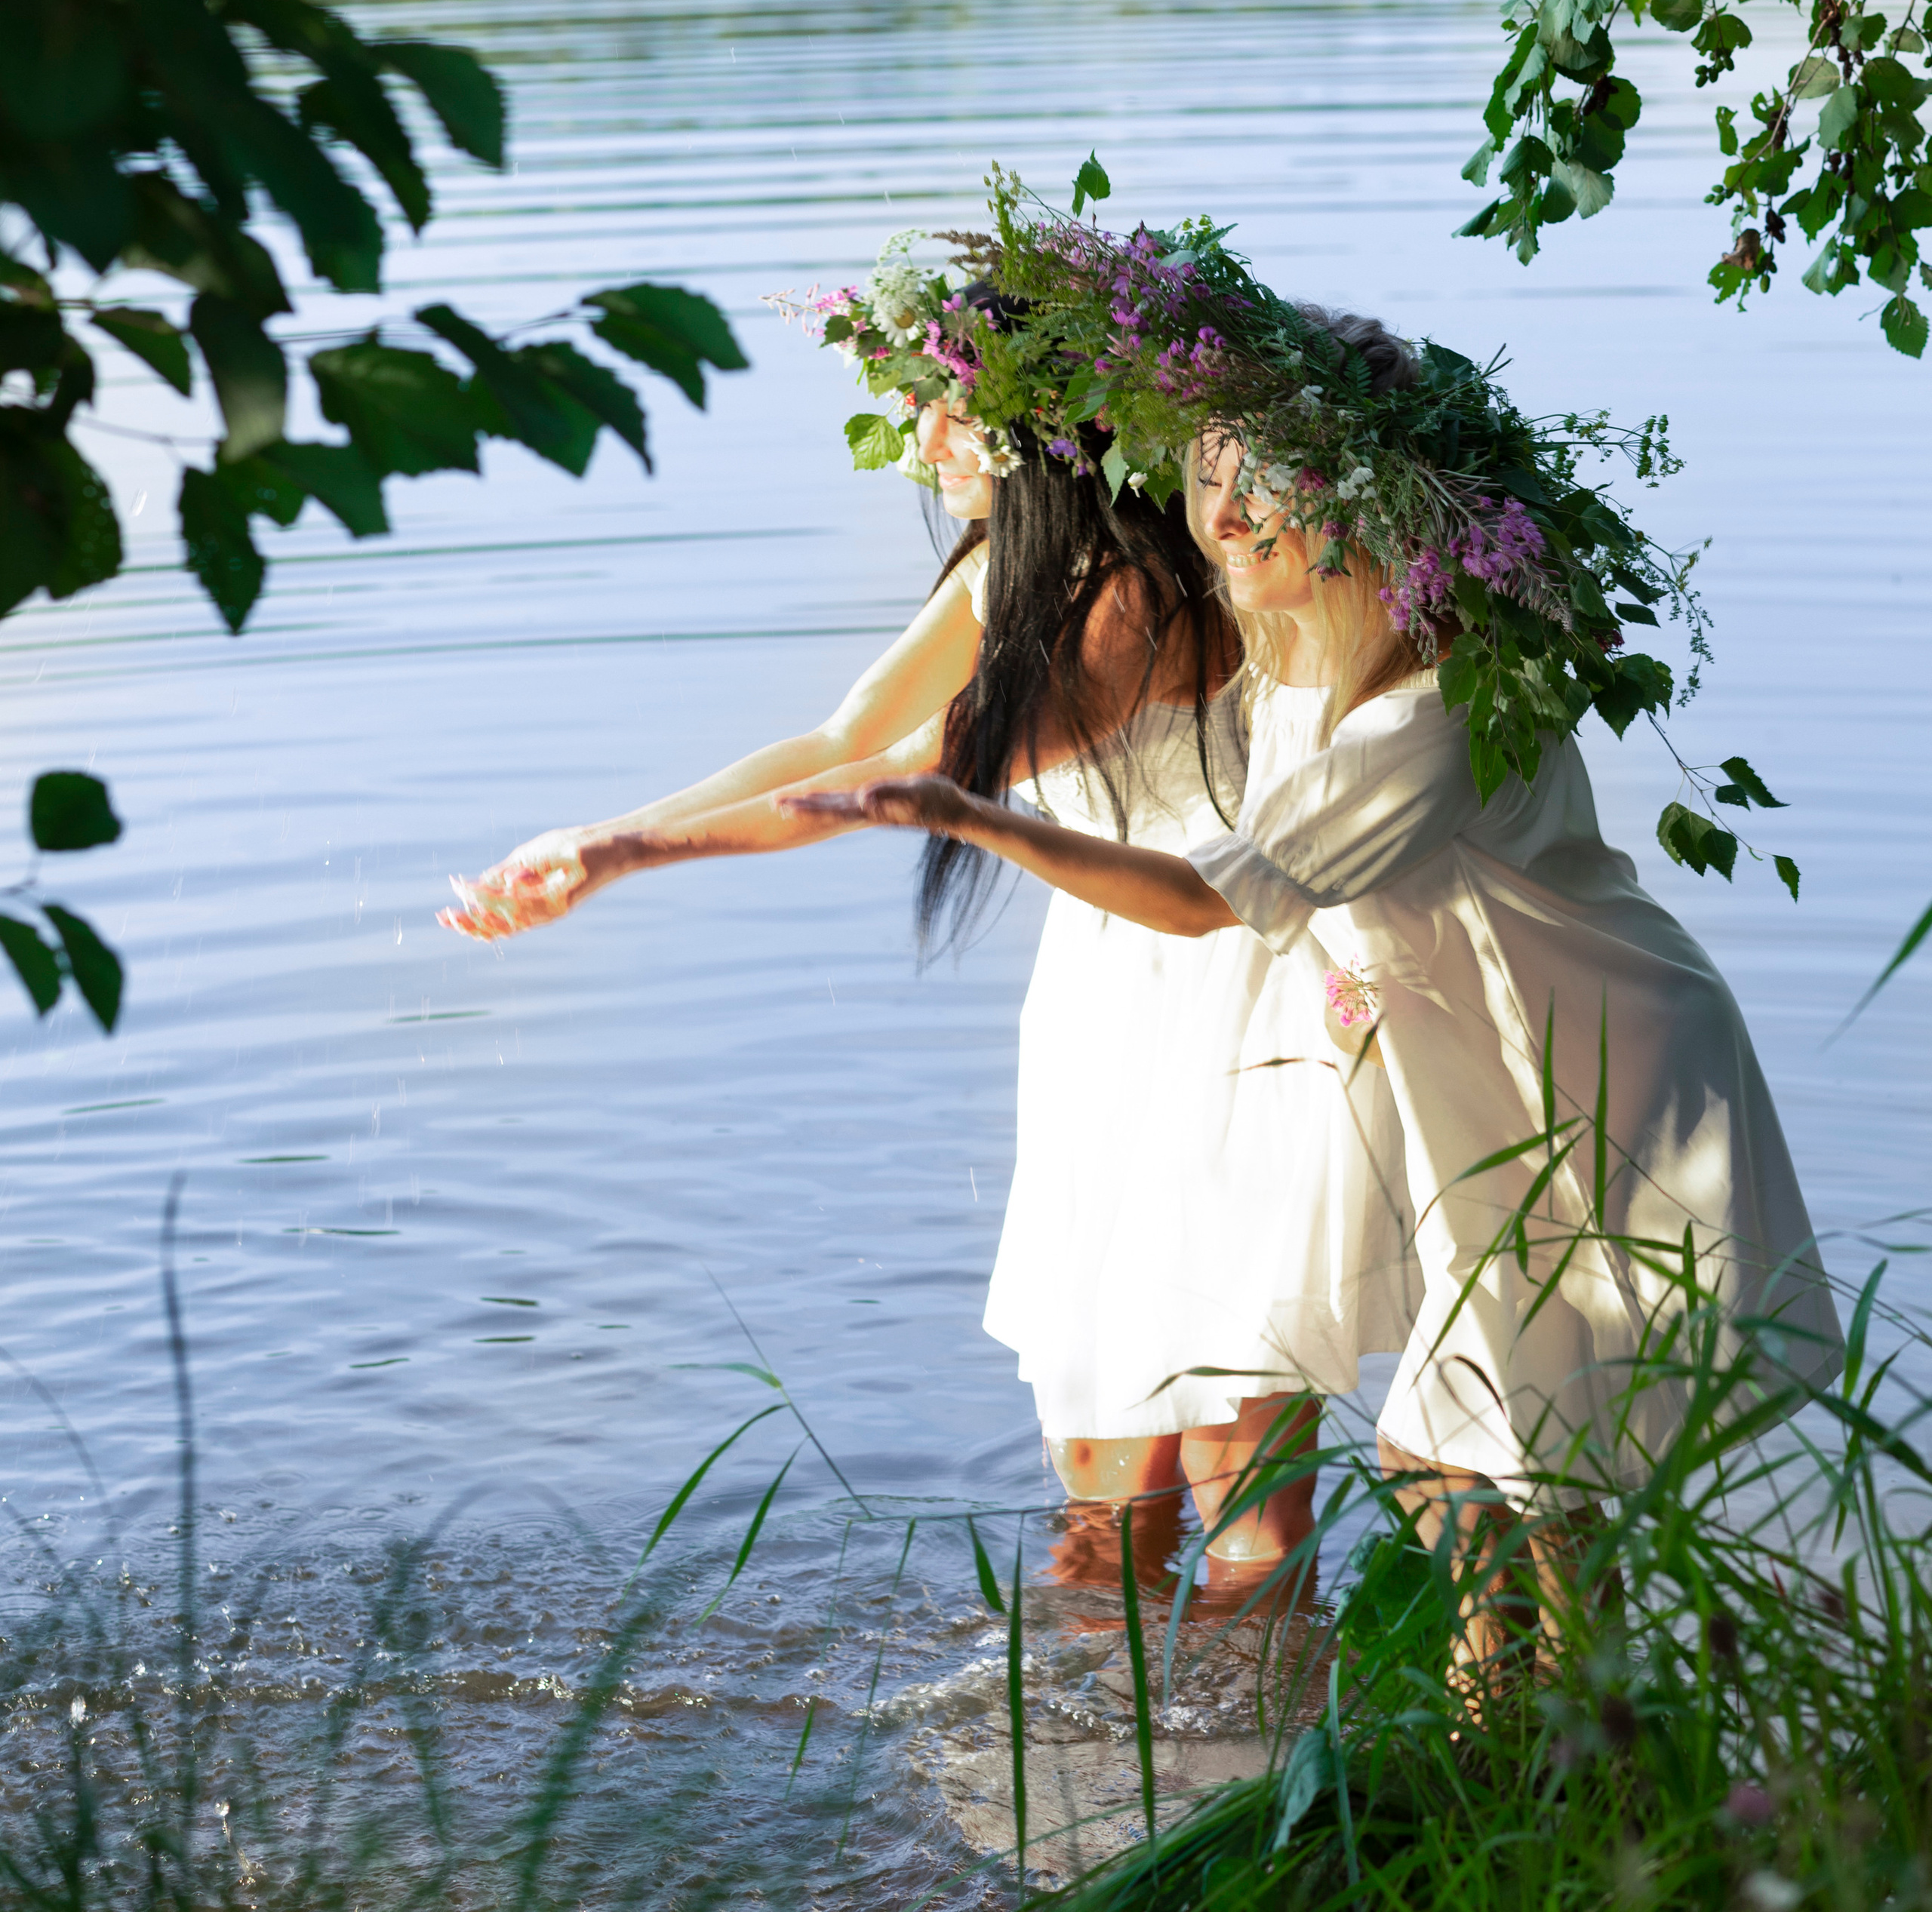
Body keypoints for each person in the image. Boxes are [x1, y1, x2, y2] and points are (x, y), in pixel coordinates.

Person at [788, 198, 1844, 1680]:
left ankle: (1557, 1779)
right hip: (1496, 1088)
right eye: (1206, 480)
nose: (1217, 517)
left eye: (1258, 490)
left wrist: (967, 815)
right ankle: (1549, 1775)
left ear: (1372, 513)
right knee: (1472, 1473)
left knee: (1483, 1477)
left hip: (1594, 1093)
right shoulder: (1316, 679)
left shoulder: (1428, 713)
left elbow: (1208, 895)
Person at [441, 249, 1417, 1585]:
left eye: (946, 406)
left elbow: (916, 786)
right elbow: (840, 737)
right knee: (1096, 1484)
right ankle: (1093, 1774)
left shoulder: (1138, 595)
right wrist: (602, 834)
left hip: (1223, 1002)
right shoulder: (1007, 573)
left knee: (1232, 1471)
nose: (920, 437)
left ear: (1041, 421)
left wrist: (631, 852)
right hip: (1103, 1008)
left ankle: (1261, 1775)